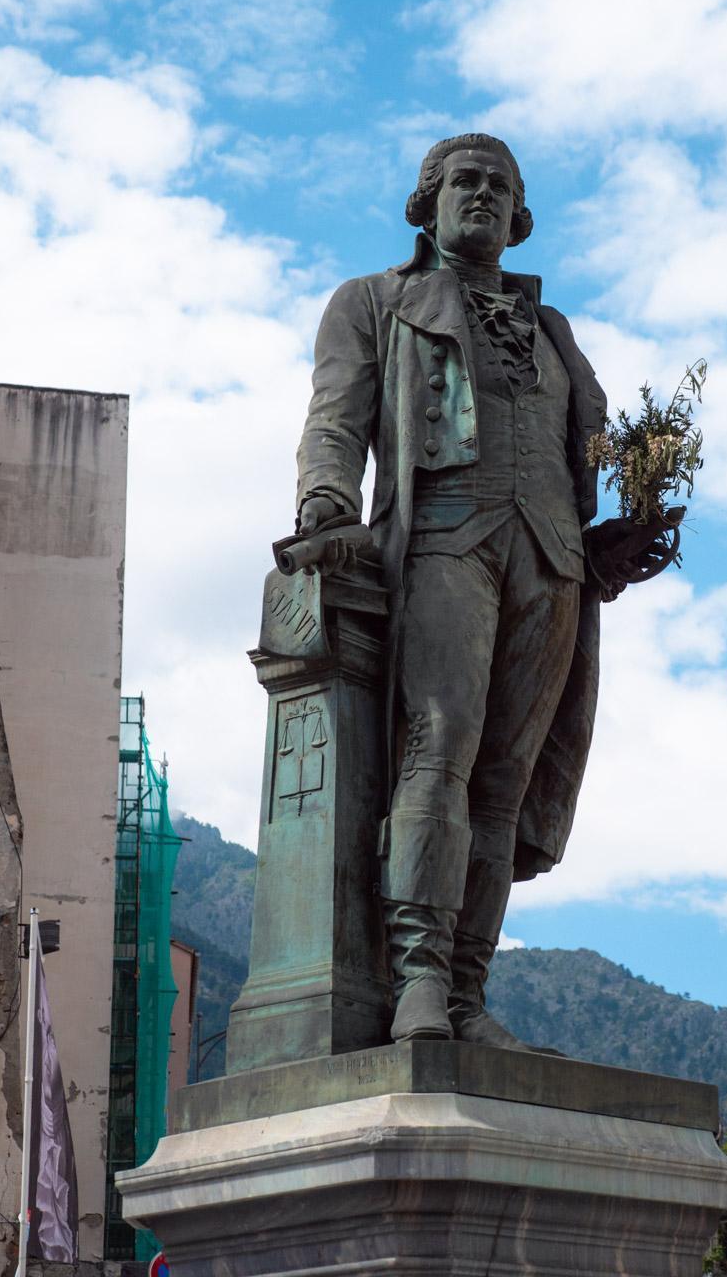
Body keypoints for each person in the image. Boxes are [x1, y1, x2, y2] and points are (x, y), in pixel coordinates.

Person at [296, 133, 626, 1048]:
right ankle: (421, 979)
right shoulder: (373, 302)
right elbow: (334, 419)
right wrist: (326, 502)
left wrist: (617, 533)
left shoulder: (555, 331)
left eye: (499, 186)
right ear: (428, 203)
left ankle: (469, 993)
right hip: (445, 539)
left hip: (552, 558)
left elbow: (578, 455)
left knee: (506, 782)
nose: (482, 194)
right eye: (464, 181)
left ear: (519, 217)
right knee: (438, 746)